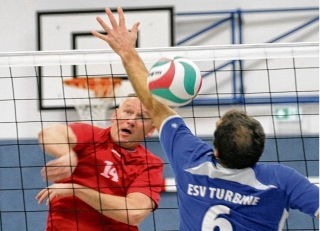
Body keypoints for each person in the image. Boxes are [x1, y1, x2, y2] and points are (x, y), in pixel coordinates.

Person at [91, 7, 319, 231]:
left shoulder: (191, 159)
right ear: (259, 150)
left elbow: (153, 104)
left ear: (216, 151)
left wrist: (127, 51)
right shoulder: (281, 180)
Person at [36, 94, 164, 231]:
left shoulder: (150, 164)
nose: (131, 120)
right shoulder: (91, 136)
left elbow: (134, 212)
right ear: (114, 116)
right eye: (128, 112)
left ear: (150, 129)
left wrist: (78, 190)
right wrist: (67, 154)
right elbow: (49, 133)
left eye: (142, 117)